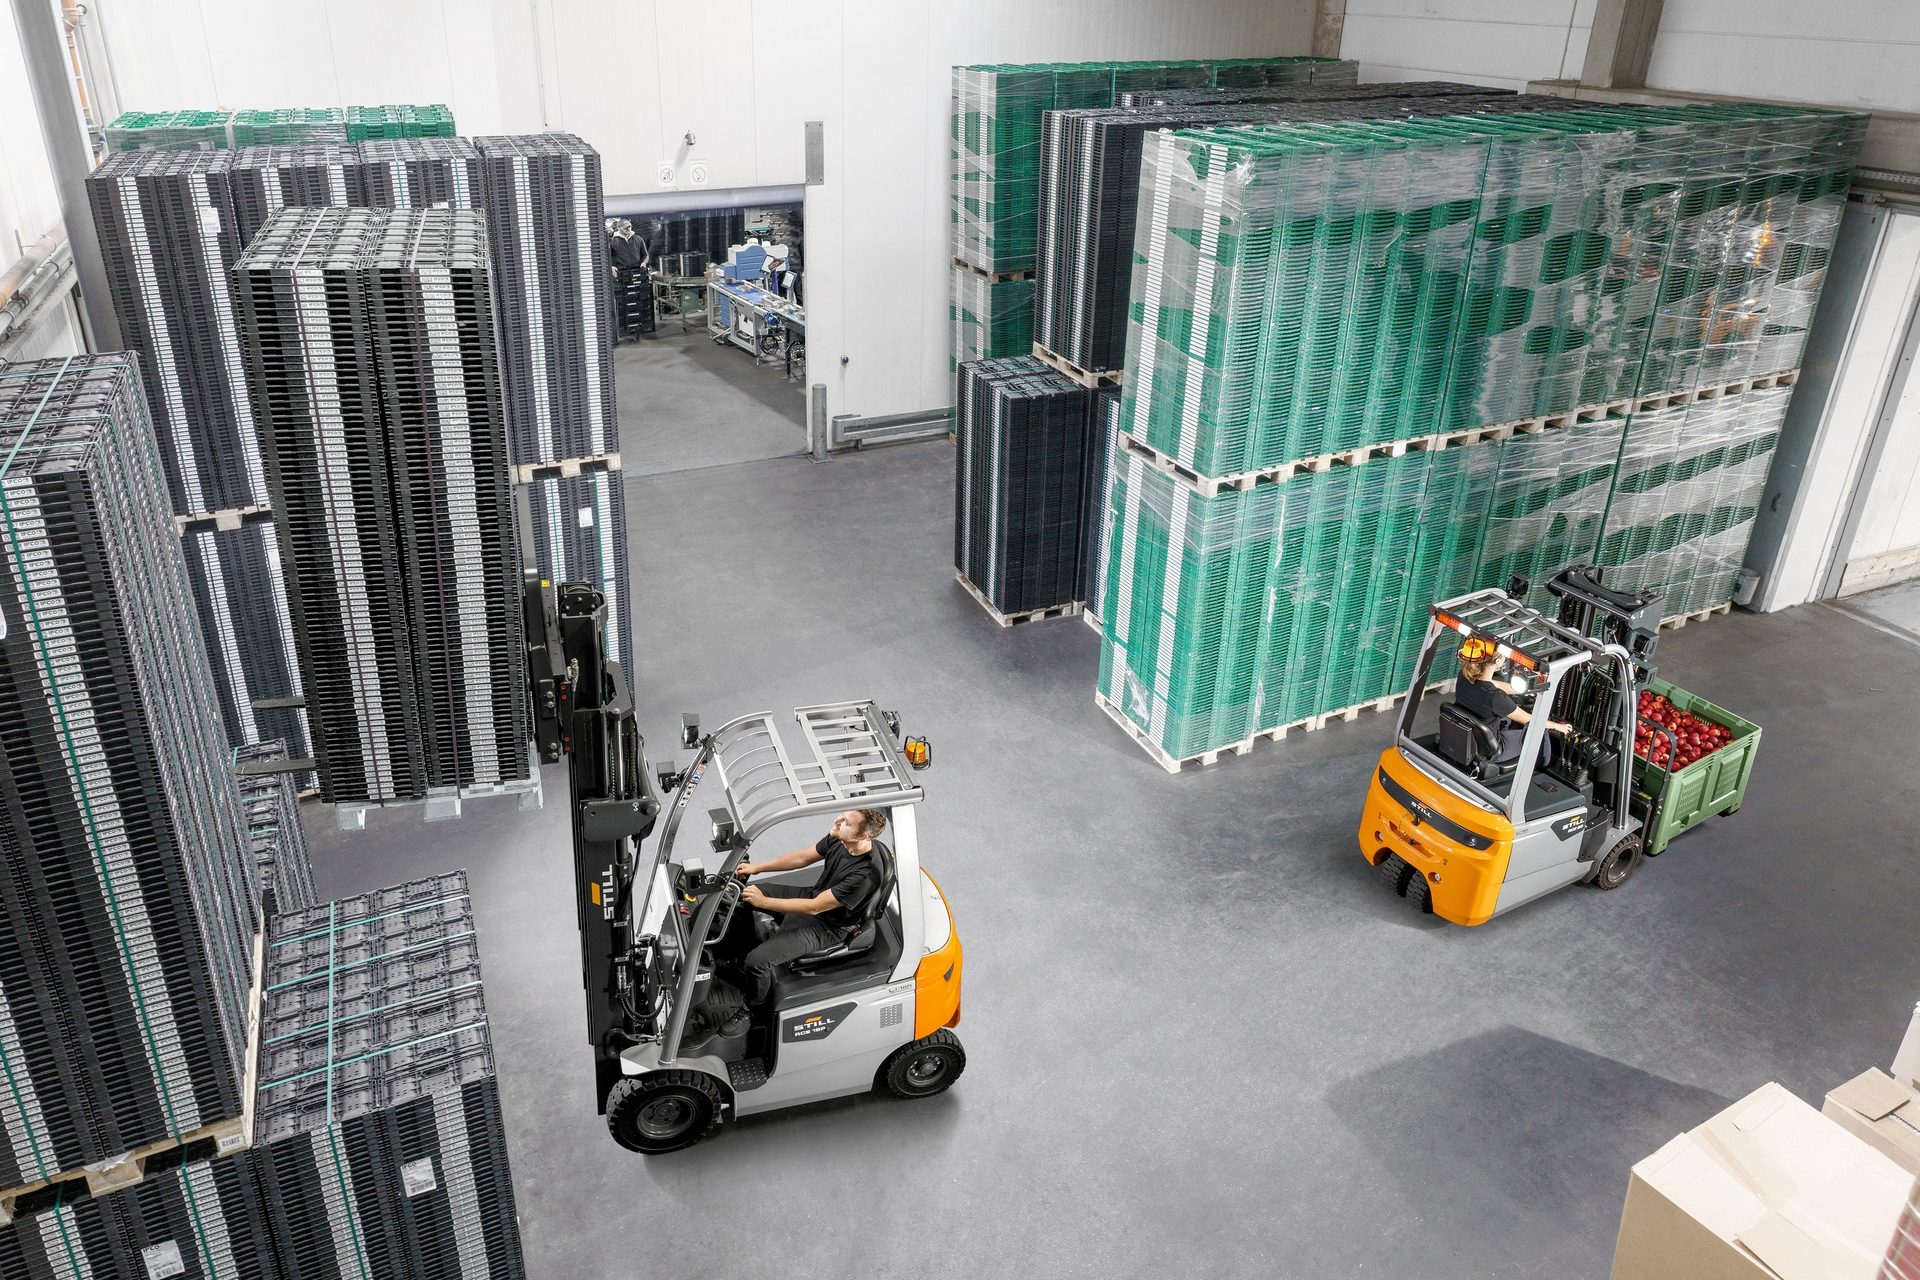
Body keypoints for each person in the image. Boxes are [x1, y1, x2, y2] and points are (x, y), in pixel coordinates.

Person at [733, 808, 887, 1005]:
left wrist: (763, 901)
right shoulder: (839, 839)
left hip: (828, 925)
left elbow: (815, 907)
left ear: (862, 836)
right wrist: (757, 868)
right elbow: (802, 858)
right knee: (742, 895)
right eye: (841, 815)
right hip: (814, 897)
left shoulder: (865, 875)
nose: (838, 821)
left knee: (757, 962)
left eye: (846, 822)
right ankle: (738, 951)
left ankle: (750, 1007)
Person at [1453, 637, 1572, 766]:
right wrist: (1559, 726)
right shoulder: (1496, 698)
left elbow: (1493, 684)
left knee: (1509, 720)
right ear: (1498, 661)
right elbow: (1530, 720)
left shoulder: (1464, 676)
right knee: (1539, 730)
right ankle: (1544, 767)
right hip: (1492, 749)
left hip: (1470, 736)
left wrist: (1529, 690)